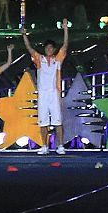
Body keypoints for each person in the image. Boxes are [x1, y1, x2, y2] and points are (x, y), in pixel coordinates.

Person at [22, 19, 69, 154]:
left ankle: (60, 146)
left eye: (51, 48)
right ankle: (45, 146)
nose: (49, 49)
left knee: (57, 120)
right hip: (42, 94)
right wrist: (24, 35)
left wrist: (65, 29)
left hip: (54, 93)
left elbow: (65, 45)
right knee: (43, 122)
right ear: (44, 49)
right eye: (47, 47)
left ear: (53, 49)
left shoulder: (57, 59)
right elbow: (29, 48)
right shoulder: (39, 59)